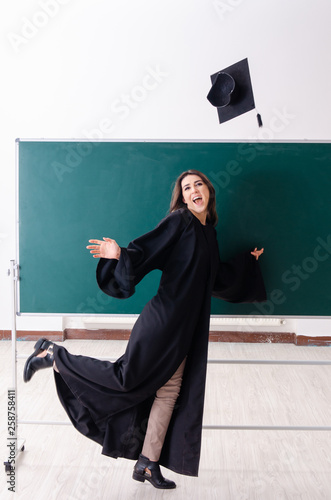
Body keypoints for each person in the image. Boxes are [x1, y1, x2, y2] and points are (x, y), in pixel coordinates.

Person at [23, 169, 266, 490]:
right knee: (125, 378)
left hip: (186, 330)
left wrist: (247, 263)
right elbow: (146, 250)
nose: (194, 190)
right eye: (187, 187)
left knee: (169, 393)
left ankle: (148, 464)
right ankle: (53, 354)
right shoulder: (180, 221)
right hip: (163, 323)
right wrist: (120, 254)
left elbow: (214, 277)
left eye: (199, 184)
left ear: (209, 190)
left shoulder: (209, 231)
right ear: (182, 197)